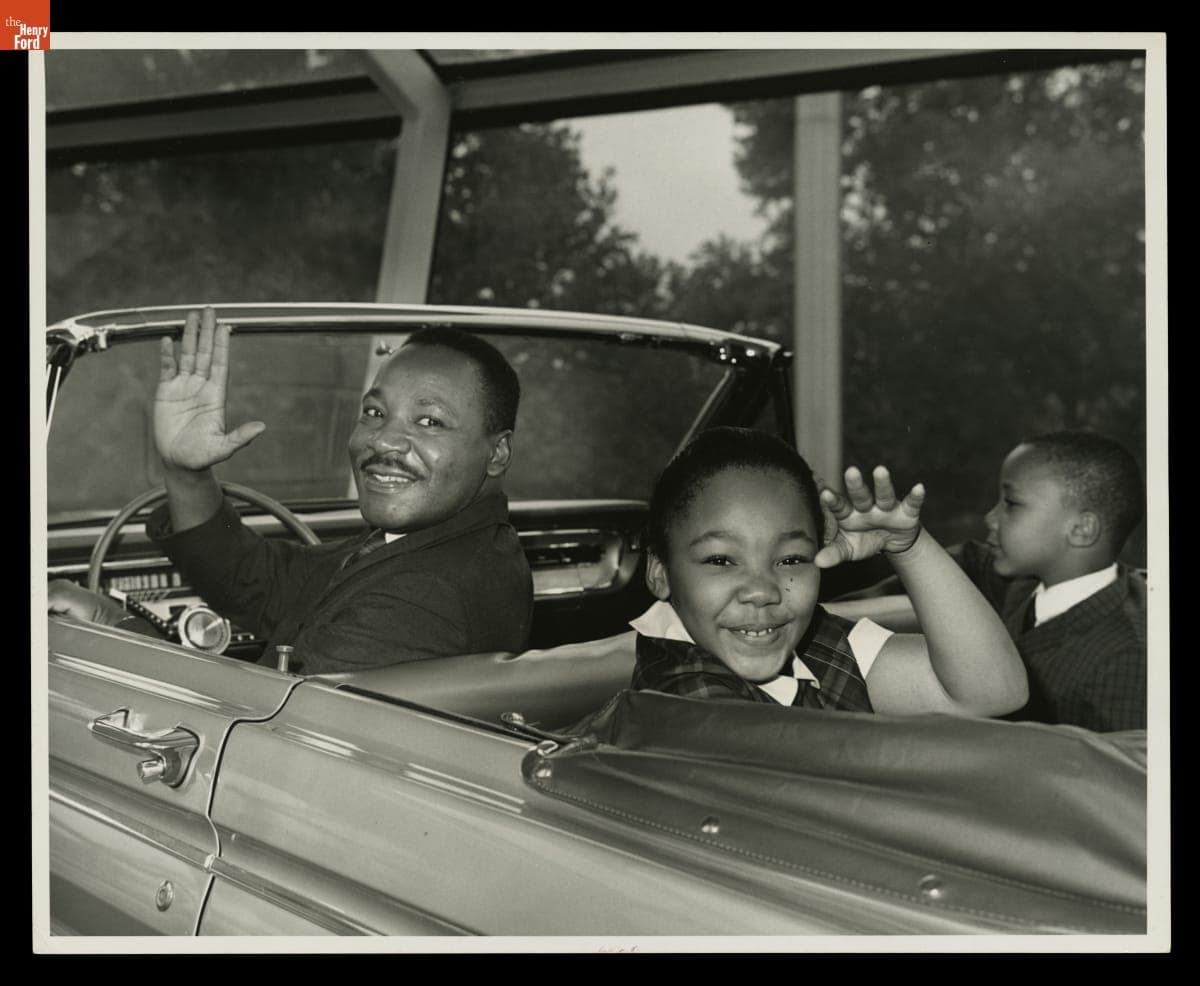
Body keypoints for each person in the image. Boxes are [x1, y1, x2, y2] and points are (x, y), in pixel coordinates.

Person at [48, 307, 534, 675]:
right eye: (374, 412)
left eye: (429, 421)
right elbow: (255, 580)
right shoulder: (432, 546)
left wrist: (114, 628)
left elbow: (249, 734)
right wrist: (185, 470)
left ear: (497, 454)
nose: (383, 440)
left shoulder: (424, 597)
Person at [629, 427, 1028, 717]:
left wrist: (909, 548)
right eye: (721, 561)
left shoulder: (813, 643)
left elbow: (994, 691)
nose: (763, 590)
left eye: (790, 560)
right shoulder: (683, 698)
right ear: (660, 573)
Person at [829, 431, 1147, 732]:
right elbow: (955, 568)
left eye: (1011, 504)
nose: (990, 518)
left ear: (1081, 530)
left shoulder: (1126, 658)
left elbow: (1123, 775)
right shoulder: (1014, 581)